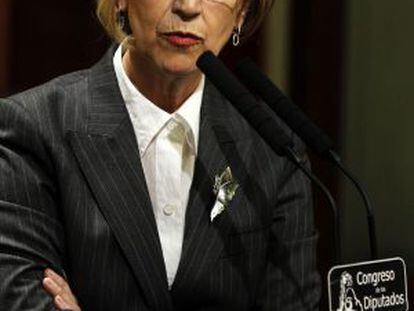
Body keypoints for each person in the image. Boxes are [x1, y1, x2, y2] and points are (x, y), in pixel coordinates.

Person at [0, 0, 321, 309]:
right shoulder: (33, 126)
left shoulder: (274, 148)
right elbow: (21, 297)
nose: (188, 7)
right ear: (121, 1)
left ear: (243, 12)